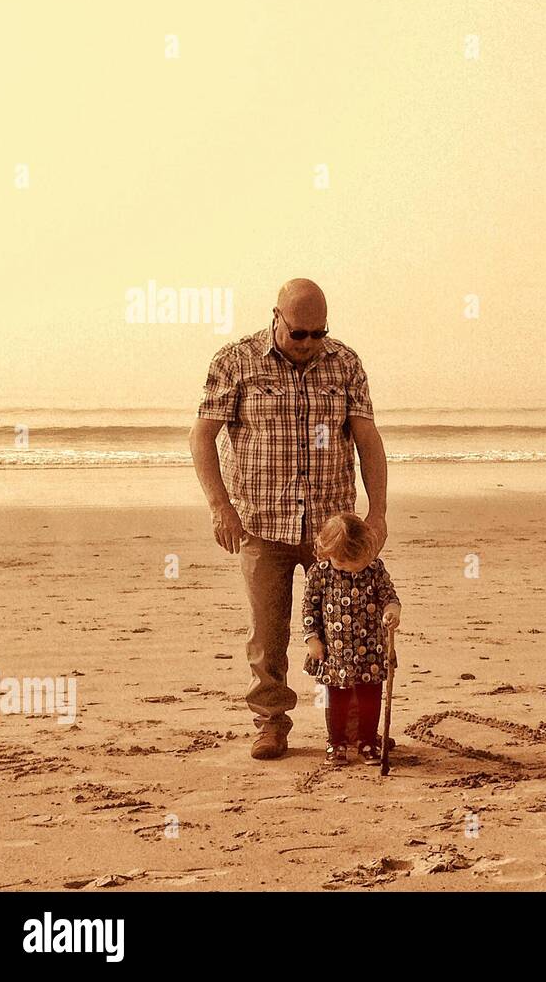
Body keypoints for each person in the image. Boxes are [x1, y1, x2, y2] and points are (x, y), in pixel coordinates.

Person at [189, 278, 389, 760]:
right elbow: (201, 438)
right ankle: (271, 722)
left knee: (350, 630)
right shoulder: (234, 362)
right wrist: (221, 507)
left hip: (334, 529)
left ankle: (356, 730)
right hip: (263, 523)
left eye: (318, 333)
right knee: (268, 633)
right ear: (275, 317)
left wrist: (377, 511)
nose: (308, 344)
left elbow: (367, 439)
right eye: (299, 334)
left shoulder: (345, 363)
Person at [301, 512, 401, 765]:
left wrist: (392, 612)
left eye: (359, 560)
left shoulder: (375, 569)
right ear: (327, 553)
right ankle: (336, 743)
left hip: (372, 651)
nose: (353, 567)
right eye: (344, 563)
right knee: (337, 701)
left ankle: (367, 740)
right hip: (335, 654)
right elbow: (309, 610)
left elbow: (389, 596)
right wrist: (313, 640)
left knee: (370, 698)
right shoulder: (320, 573)